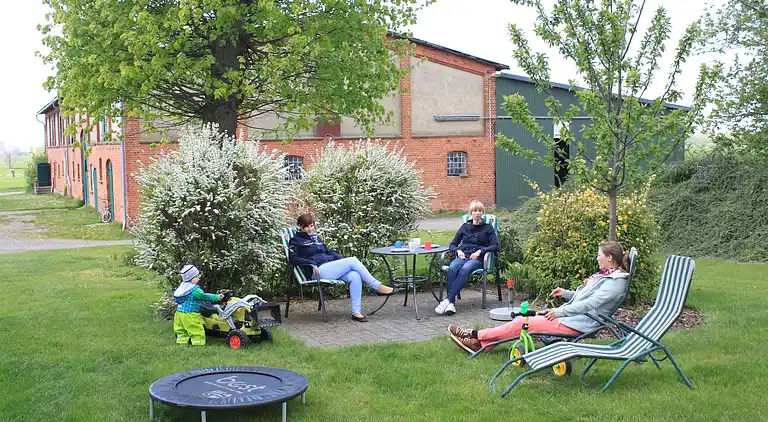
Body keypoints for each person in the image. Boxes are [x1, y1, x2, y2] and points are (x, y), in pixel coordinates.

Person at [447, 241, 631, 353]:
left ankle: (475, 335)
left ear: (608, 257)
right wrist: (566, 293)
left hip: (576, 323)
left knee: (522, 323)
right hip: (571, 318)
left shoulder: (615, 283)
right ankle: (481, 344)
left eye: (599, 255)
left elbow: (588, 305)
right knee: (524, 319)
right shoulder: (607, 276)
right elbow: (584, 298)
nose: (596, 258)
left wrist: (558, 312)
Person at [288, 213, 395, 322]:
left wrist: (342, 260)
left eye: (312, 225)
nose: (310, 229)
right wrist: (311, 263)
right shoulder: (296, 240)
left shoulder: (316, 238)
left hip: (329, 267)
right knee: (353, 260)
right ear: (300, 227)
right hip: (317, 271)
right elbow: (293, 259)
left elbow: (329, 251)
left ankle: (356, 313)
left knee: (355, 275)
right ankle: (377, 286)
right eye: (307, 226)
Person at [435, 200, 500, 316]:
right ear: (471, 213)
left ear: (483, 213)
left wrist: (480, 251)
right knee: (452, 268)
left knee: (465, 269)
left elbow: (496, 245)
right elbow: (452, 244)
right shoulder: (465, 227)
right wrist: (458, 251)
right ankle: (451, 304)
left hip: (477, 259)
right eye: (475, 211)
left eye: (480, 211)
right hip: (463, 256)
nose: (477, 213)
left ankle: (447, 300)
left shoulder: (488, 228)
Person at [173, 264, 224, 346]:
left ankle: (182, 343)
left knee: (181, 330)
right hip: (190, 314)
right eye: (196, 277)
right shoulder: (194, 290)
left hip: (179, 313)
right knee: (196, 329)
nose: (198, 278)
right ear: (191, 278)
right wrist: (216, 297)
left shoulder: (182, 288)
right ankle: (198, 345)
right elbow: (204, 296)